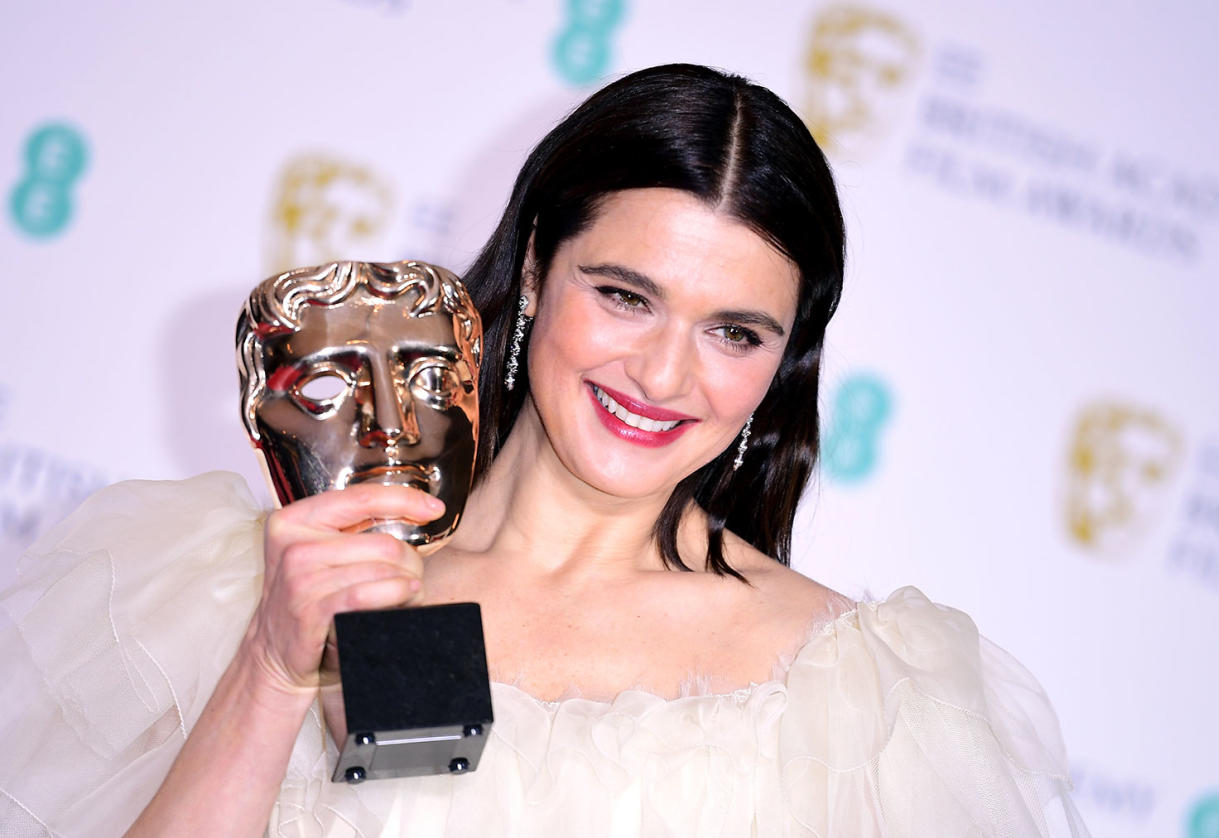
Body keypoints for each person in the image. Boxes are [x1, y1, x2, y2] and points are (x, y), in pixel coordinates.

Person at [0, 64, 1090, 836]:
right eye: (625, 296)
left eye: (734, 332)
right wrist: (275, 668)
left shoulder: (849, 695)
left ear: (783, 363)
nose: (664, 376)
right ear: (533, 273)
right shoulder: (258, 580)